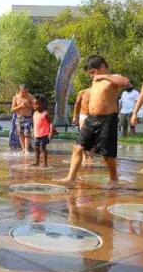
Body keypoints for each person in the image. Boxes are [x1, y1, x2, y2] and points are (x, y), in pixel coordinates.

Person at [54, 56, 129, 190]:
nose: (91, 76)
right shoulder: (96, 81)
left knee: (107, 155)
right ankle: (71, 178)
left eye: (93, 72)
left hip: (107, 120)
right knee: (77, 147)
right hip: (91, 119)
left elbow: (125, 82)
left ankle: (113, 179)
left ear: (102, 67)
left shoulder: (112, 78)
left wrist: (105, 77)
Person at [72, 88, 94, 164]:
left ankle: (91, 156)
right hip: (84, 115)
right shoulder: (83, 92)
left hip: (94, 115)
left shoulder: (99, 92)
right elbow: (77, 104)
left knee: (93, 137)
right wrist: (75, 116)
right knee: (83, 137)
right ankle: (84, 156)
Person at [11, 84, 35, 154]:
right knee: (21, 134)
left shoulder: (30, 96)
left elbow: (35, 107)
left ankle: (27, 149)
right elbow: (12, 109)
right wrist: (20, 106)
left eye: (26, 92)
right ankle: (23, 149)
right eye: (23, 92)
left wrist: (28, 105)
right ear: (19, 91)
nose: (24, 94)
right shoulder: (15, 98)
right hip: (19, 118)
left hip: (28, 118)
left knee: (27, 133)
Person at [31, 94, 53, 167]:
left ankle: (45, 163)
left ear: (42, 104)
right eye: (34, 104)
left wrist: (51, 133)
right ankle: (37, 162)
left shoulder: (45, 113)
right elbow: (34, 123)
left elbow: (51, 123)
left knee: (43, 148)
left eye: (37, 104)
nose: (35, 106)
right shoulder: (34, 113)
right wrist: (33, 131)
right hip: (36, 134)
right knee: (36, 148)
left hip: (44, 134)